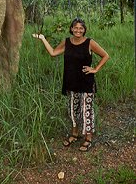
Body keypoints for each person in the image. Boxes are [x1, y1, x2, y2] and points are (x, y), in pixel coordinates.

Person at [32, 17, 109, 151]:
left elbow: (105, 55)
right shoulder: (66, 42)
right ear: (71, 29)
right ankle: (74, 134)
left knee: (86, 111)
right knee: (73, 110)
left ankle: (88, 138)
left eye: (81, 28)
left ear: (84, 30)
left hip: (86, 82)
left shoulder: (90, 43)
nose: (78, 30)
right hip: (70, 82)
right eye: (75, 28)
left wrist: (95, 69)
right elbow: (53, 52)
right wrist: (43, 38)